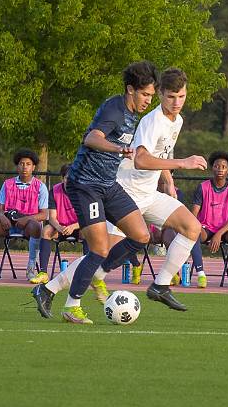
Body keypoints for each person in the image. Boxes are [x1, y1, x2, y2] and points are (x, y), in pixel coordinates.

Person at [38, 68, 207, 313]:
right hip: (126, 191)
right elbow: (141, 160)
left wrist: (168, 179)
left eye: (181, 96)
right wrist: (182, 163)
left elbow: (161, 153)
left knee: (192, 227)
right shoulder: (152, 121)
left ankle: (160, 286)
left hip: (148, 194)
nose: (177, 102)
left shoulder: (177, 120)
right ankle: (53, 288)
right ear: (160, 94)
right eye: (171, 97)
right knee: (99, 251)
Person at [31, 61, 157, 324]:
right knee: (98, 248)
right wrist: (118, 149)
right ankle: (71, 305)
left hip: (108, 184)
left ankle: (89, 275)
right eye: (145, 94)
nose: (148, 100)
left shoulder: (134, 115)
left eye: (151, 96)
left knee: (141, 235)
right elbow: (91, 138)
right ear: (130, 90)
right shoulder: (115, 108)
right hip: (86, 185)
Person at [0, 149, 48, 281]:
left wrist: (26, 218)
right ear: (17, 166)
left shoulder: (40, 187)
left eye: (28, 164)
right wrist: (2, 217)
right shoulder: (7, 184)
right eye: (22, 164)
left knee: (36, 227)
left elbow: (44, 215)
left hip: (28, 224)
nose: (24, 167)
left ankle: (31, 269)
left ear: (33, 167)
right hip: (9, 222)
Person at [189, 151, 228, 288]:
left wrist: (219, 234)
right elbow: (194, 213)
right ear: (212, 168)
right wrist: (193, 226)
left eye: (223, 167)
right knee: (192, 232)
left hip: (225, 230)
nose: (220, 169)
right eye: (217, 166)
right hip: (205, 228)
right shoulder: (202, 187)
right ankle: (201, 275)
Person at [30, 164, 89, 285]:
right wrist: (59, 227)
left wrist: (73, 226)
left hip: (78, 226)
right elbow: (52, 217)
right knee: (46, 230)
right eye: (68, 178)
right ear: (63, 178)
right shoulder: (55, 190)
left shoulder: (83, 192)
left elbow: (86, 218)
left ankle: (88, 273)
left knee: (88, 231)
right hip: (60, 226)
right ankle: (43, 273)